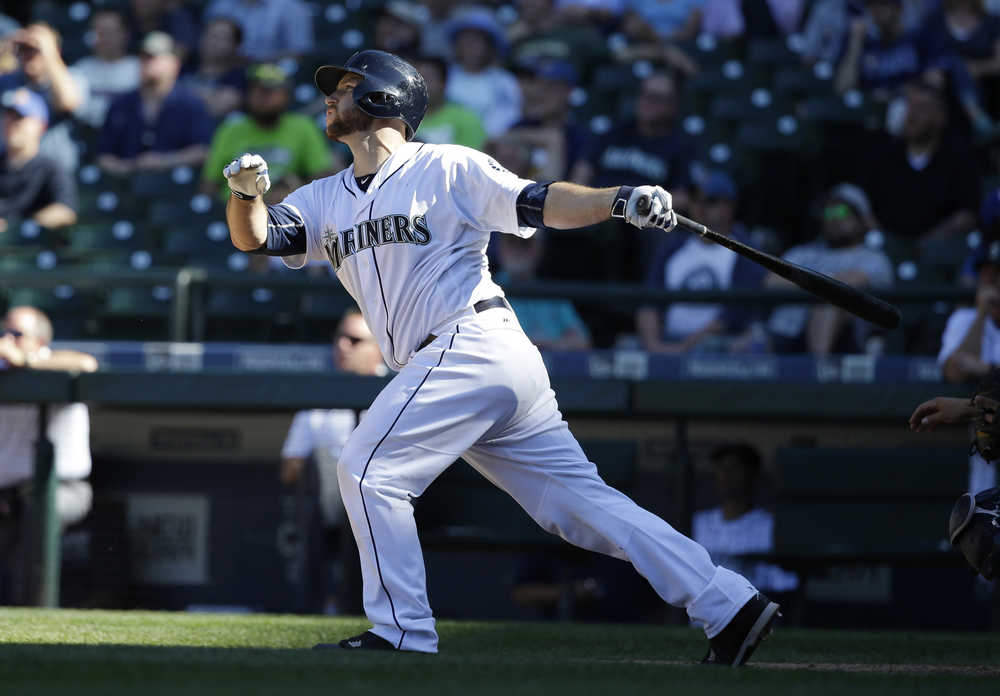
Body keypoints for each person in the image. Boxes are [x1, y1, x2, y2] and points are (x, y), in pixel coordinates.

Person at [223, 49, 779, 662]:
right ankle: (728, 602)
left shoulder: (447, 167)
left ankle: (401, 634)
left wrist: (617, 199)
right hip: (463, 363)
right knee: (579, 509)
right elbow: (259, 236)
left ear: (384, 97)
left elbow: (539, 202)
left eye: (348, 86)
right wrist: (244, 193)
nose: (331, 97)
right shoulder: (326, 196)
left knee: (369, 467)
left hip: (470, 343)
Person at [281, 308, 386, 614]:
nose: (343, 346)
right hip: (330, 514)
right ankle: (322, 602)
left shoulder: (399, 390)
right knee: (324, 471)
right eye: (340, 337)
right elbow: (290, 469)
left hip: (385, 501)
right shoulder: (320, 396)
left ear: (379, 348)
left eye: (355, 340)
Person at [0, 306, 97, 606]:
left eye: (17, 334)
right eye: (4, 333)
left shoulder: (54, 366)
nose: (7, 340)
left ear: (40, 341)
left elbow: (86, 363)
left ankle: (35, 610)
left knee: (38, 508)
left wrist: (25, 362)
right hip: (6, 491)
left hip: (64, 489)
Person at [636, 172, 766, 355]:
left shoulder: (745, 249)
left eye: (709, 200)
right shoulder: (672, 248)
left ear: (728, 207)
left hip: (719, 345)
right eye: (695, 199)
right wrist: (654, 346)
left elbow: (734, 316)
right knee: (626, 348)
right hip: (667, 340)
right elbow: (649, 304)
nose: (699, 206)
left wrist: (685, 348)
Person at [766, 184, 892, 355]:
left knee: (829, 301)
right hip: (787, 333)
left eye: (842, 212)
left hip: (846, 339)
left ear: (862, 219)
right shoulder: (804, 253)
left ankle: (817, 373)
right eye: (828, 212)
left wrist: (800, 280)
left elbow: (845, 283)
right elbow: (771, 282)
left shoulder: (874, 258)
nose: (834, 218)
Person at [860, 79, 980, 249]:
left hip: (938, 246)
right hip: (886, 245)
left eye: (921, 108)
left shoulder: (958, 157)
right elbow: (865, 202)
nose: (911, 115)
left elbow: (967, 213)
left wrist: (933, 239)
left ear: (940, 116)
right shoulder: (884, 152)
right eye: (908, 106)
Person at [200, 63, 332, 200]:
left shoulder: (303, 127)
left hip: (285, 208)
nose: (262, 97)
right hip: (236, 210)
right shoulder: (230, 129)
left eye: (270, 91)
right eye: (256, 90)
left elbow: (322, 177)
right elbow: (209, 184)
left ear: (286, 96)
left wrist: (296, 188)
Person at [98, 32, 212, 175]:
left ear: (174, 64)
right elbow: (104, 154)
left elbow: (203, 151)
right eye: (143, 57)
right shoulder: (121, 104)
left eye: (154, 57)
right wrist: (127, 168)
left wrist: (165, 161)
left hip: (175, 183)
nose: (146, 62)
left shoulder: (191, 104)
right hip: (128, 184)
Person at [692, 444, 798, 597]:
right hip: (702, 613)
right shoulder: (698, 523)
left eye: (734, 468)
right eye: (721, 467)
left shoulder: (770, 526)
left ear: (752, 475)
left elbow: (785, 585)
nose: (726, 474)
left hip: (754, 612)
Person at [0, 22, 88, 173]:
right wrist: (3, 49)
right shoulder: (9, 80)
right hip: (13, 172)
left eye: (35, 49)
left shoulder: (72, 77)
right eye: (24, 49)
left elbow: (68, 102)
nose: (29, 55)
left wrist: (48, 50)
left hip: (57, 172)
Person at [494, 230, 592, 351]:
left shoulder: (551, 293)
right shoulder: (482, 291)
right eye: (511, 242)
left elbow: (582, 340)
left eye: (525, 243)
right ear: (500, 246)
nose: (517, 250)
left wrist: (549, 345)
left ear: (539, 249)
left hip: (554, 369)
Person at [0, 88, 77, 232]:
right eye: (8, 116)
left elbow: (65, 211)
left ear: (40, 126)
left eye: (20, 118)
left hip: (33, 246)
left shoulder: (51, 167)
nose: (12, 123)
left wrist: (20, 227)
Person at [444, 9, 522, 138]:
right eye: (465, 40)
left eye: (476, 41)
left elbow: (509, 118)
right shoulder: (445, 76)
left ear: (489, 46)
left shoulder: (504, 81)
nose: (470, 46)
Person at [70, 8, 141, 130]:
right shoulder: (80, 69)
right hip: (87, 135)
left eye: (110, 31)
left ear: (125, 34)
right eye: (99, 32)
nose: (104, 38)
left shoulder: (138, 68)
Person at [411, 55, 486, 150]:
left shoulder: (468, 119)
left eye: (427, 78)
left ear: (443, 83)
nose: (419, 84)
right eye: (414, 79)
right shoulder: (400, 121)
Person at [178, 16, 246, 121]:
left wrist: (185, 95)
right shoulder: (185, 68)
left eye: (221, 38)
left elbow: (219, 107)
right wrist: (209, 96)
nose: (212, 42)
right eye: (209, 35)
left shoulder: (238, 76)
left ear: (235, 45)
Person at [204, 0, 314, 62]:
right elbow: (205, 43)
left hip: (270, 77)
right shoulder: (220, 5)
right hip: (224, 71)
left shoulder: (293, 8)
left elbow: (299, 54)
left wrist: (252, 62)